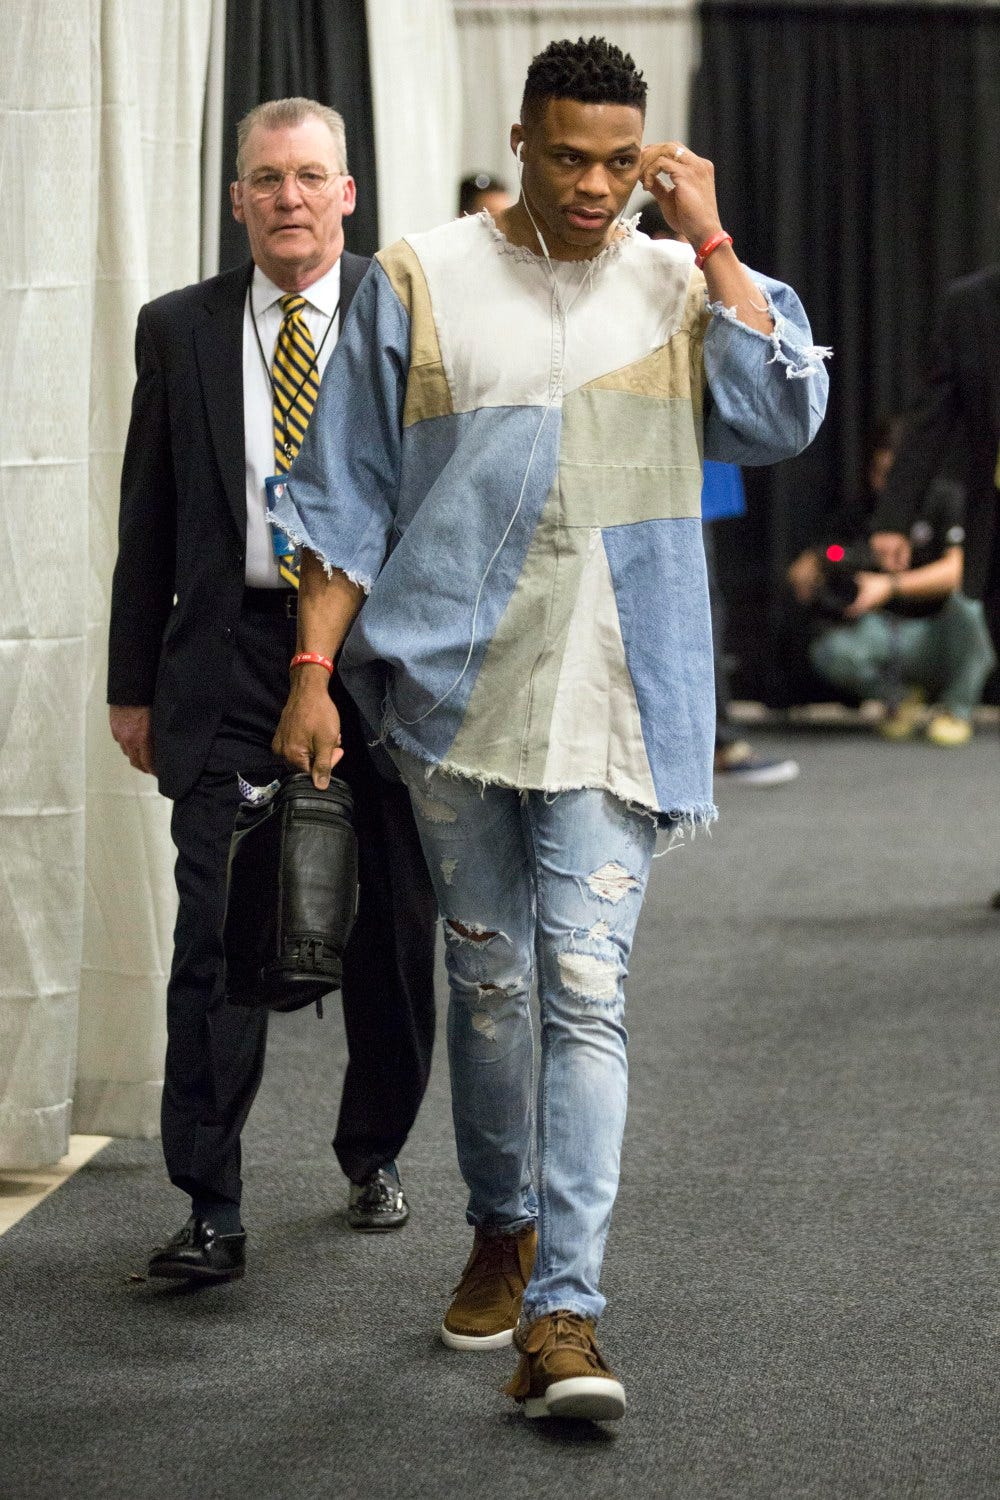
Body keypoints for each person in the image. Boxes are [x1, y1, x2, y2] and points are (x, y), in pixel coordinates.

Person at [271, 37, 828, 1421]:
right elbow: (342, 496)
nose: (593, 186)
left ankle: (565, 1313)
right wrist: (311, 671)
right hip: (449, 695)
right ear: (520, 140)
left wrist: (710, 237)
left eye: (619, 163)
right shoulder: (421, 275)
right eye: (569, 157)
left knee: (585, 990)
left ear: (649, 157)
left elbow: (784, 414)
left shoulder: (678, 282)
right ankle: (502, 1226)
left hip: (625, 696)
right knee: (489, 983)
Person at [107, 98, 437, 1283]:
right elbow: (147, 516)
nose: (287, 197)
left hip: (381, 659)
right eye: (265, 178)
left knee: (392, 932)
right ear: (237, 196)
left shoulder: (405, 319)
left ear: (347, 192)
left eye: (308, 176)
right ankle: (211, 1202)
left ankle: (373, 1153)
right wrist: (132, 685)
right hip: (228, 660)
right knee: (216, 933)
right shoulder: (179, 328)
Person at [637, 199, 800, 785]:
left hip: (699, 472)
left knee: (704, 607)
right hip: (653, 475)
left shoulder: (714, 284)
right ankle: (711, 745)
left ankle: (710, 741)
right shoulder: (646, 296)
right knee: (686, 608)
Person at [789, 418, 995, 744]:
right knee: (831, 649)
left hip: (939, 630)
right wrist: (817, 564)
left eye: (895, 477)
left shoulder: (945, 499)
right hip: (885, 630)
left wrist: (891, 585)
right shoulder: (861, 509)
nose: (885, 486)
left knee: (969, 604)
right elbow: (831, 557)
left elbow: (958, 571)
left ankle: (956, 710)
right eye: (879, 473)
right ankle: (899, 700)